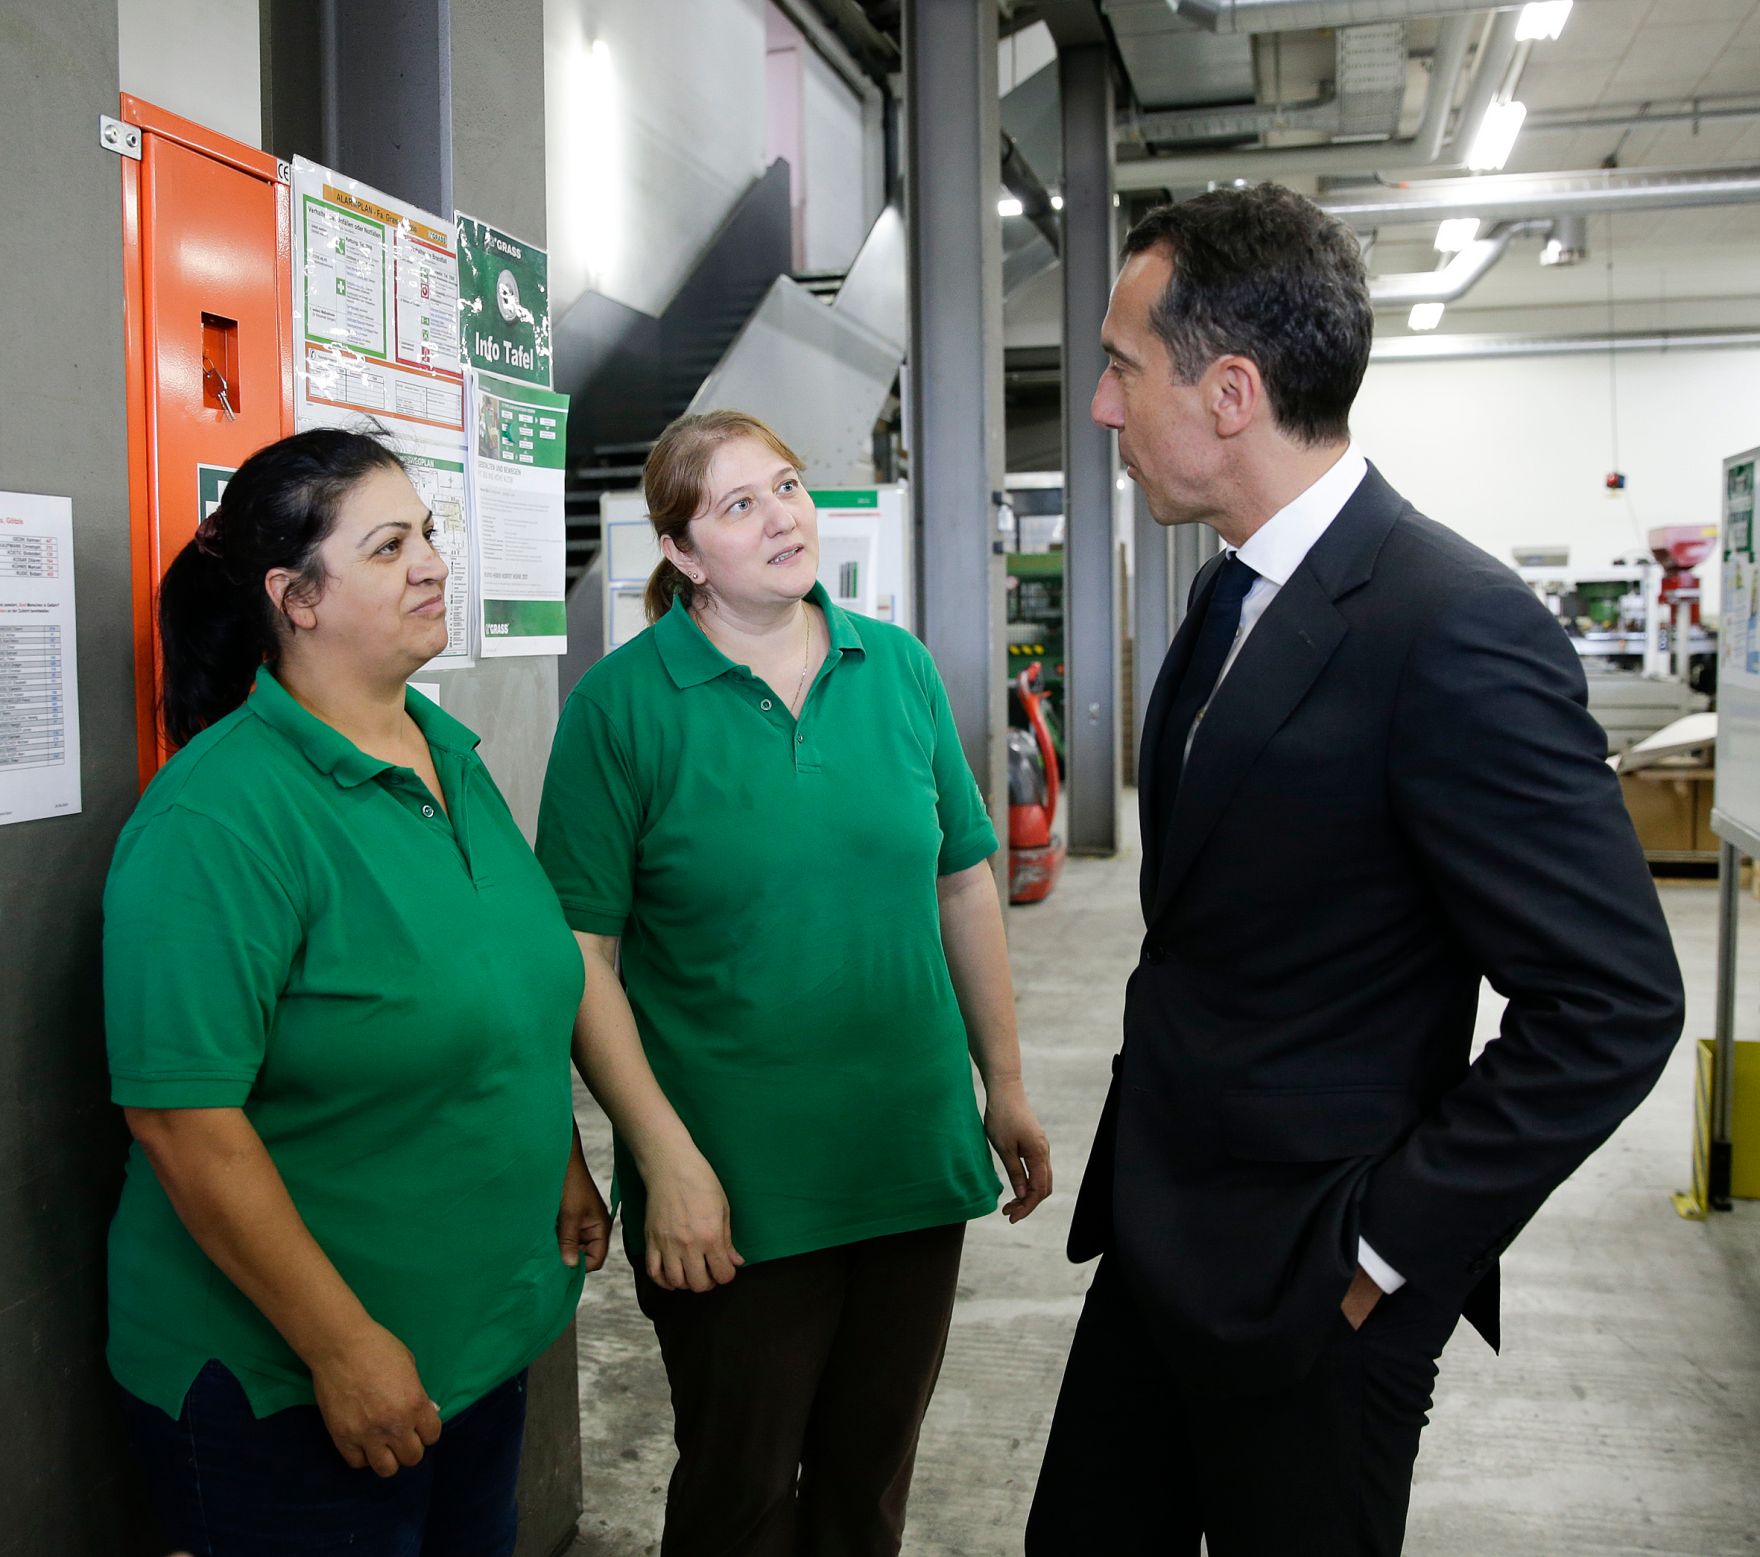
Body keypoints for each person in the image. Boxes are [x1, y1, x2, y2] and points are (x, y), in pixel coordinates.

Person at [1026, 183, 1685, 1555]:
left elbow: (1613, 1003)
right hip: (1159, 1239)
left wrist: (1384, 1252)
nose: (1098, 408)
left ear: (1230, 392)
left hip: (1317, 1281)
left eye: (1121, 369)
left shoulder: (1452, 627)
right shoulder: (1227, 591)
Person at [537, 409, 1051, 1556]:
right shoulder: (620, 708)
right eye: (738, 504)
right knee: (742, 1495)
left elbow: (962, 886)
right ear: (680, 552)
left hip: (905, 1159)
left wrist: (1004, 1083)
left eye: (786, 485)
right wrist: (662, 1160)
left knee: (866, 1492)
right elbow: (580, 960)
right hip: (734, 1187)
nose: (782, 517)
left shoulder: (896, 667)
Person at [105, 427, 610, 1555]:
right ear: (297, 598)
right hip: (292, 1387)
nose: (432, 563)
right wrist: (340, 1345)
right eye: (388, 548)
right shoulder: (216, 818)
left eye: (426, 533)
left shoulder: (446, 755)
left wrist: (560, 1159)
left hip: (471, 1347)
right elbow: (182, 1120)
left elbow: (506, 989)